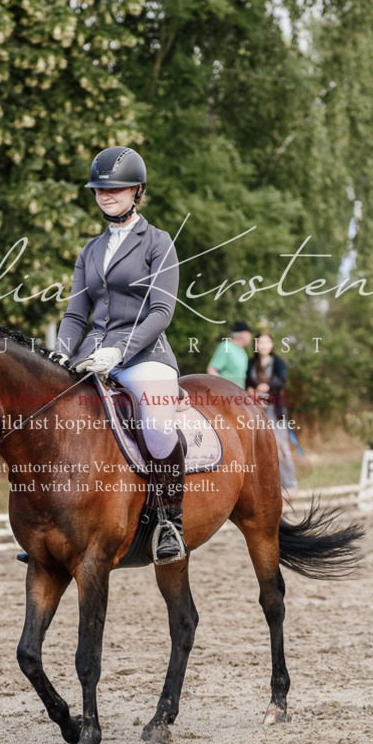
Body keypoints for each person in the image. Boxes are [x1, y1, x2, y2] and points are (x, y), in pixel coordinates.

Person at [54, 145, 185, 564]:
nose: (105, 196)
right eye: (99, 190)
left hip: (146, 354)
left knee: (159, 423)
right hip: (93, 355)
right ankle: (58, 523)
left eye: (115, 189)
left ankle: (169, 521)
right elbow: (76, 314)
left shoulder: (159, 242)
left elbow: (162, 311)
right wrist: (60, 353)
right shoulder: (90, 251)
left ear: (137, 191)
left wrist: (120, 350)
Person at [246, 330, 297, 499]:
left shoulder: (278, 362)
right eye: (260, 342)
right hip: (256, 410)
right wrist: (251, 390)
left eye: (266, 342)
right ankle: (268, 486)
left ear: (272, 344)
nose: (263, 345)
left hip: (274, 409)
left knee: (280, 446)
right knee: (259, 449)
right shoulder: (251, 363)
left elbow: (281, 381)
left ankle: (290, 485)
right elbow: (247, 383)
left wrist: (267, 386)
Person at [206, 321, 252, 388]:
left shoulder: (242, 350)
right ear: (243, 334)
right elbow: (211, 369)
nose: (250, 336)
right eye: (249, 333)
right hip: (226, 395)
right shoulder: (226, 347)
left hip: (239, 395)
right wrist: (222, 387)